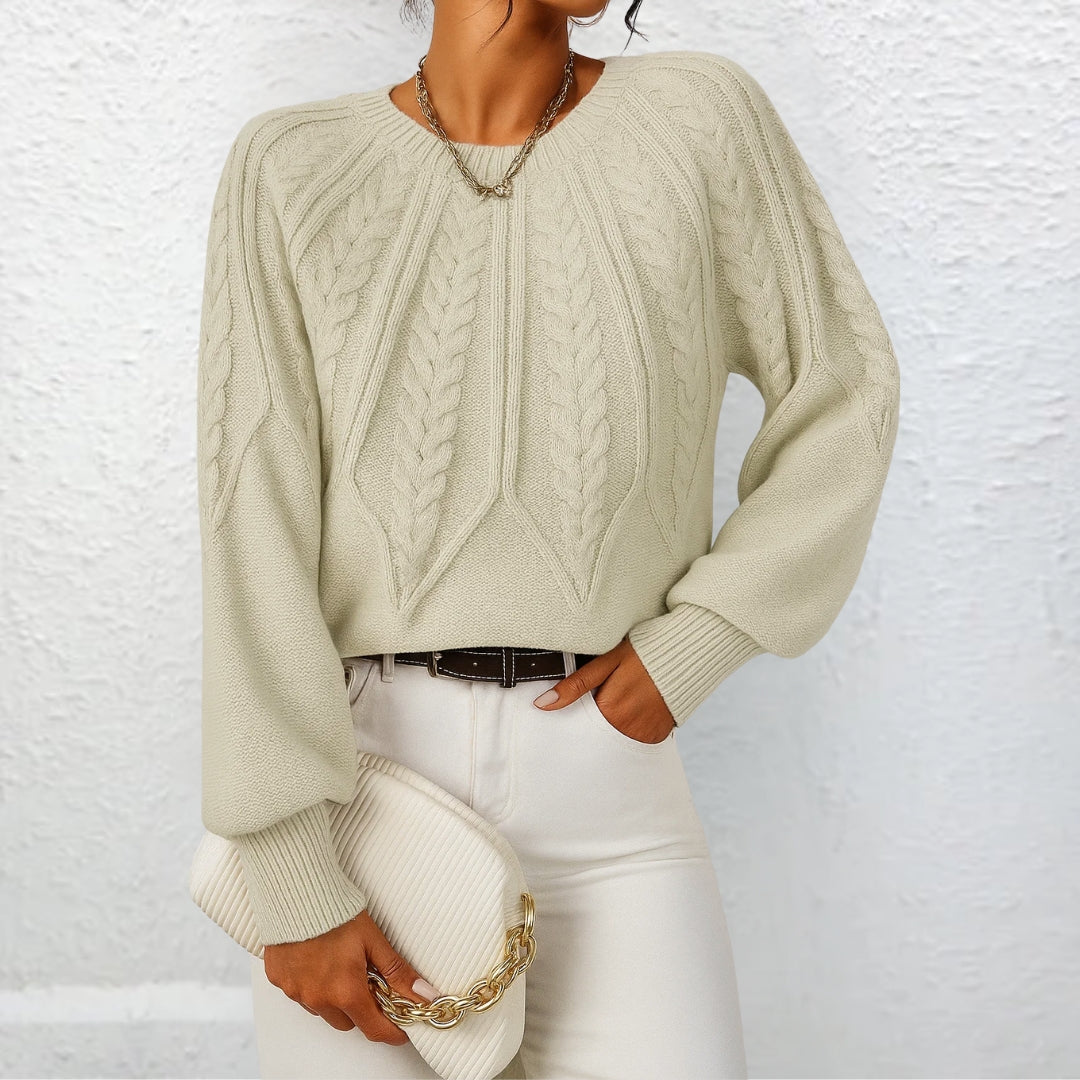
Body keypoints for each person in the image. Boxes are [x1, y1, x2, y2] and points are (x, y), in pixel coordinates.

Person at [194, 1, 901, 1076]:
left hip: (611, 803)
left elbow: (846, 392)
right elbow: (253, 524)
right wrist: (292, 875)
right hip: (359, 798)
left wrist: (701, 638)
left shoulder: (699, 121)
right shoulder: (291, 167)